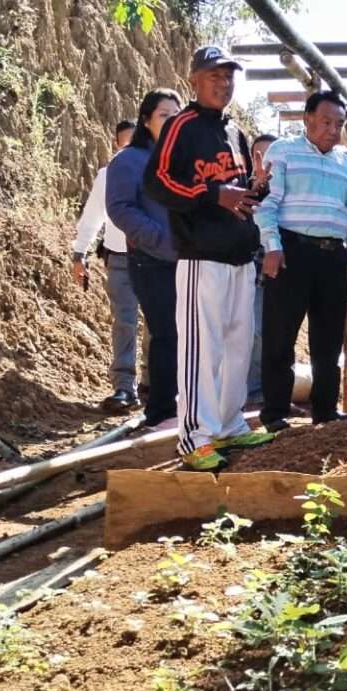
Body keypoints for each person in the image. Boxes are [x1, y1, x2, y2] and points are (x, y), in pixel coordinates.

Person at [144, 47, 277, 470]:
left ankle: (228, 425)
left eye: (229, 76)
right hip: (201, 257)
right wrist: (213, 194)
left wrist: (256, 188)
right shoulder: (181, 126)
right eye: (214, 76)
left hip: (240, 256)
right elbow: (158, 182)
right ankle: (194, 437)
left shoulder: (235, 132)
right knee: (203, 348)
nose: (224, 83)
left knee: (238, 345)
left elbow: (236, 195)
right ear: (194, 80)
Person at [256, 90, 347, 431]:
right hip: (291, 253)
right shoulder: (283, 152)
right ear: (306, 119)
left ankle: (325, 411)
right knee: (279, 336)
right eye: (325, 122)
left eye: (339, 124)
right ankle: (275, 414)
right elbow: (267, 205)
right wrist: (273, 247)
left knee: (328, 339)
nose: (333, 130)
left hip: (332, 258)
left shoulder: (344, 163)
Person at [107, 95, 179, 428]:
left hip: (190, 259)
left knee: (189, 334)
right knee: (165, 333)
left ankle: (185, 406)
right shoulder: (129, 160)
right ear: (147, 119)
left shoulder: (184, 159)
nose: (171, 120)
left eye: (176, 115)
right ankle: (161, 411)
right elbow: (121, 208)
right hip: (150, 260)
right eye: (164, 114)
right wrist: (159, 238)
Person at [72, 119, 141, 412]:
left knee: (158, 325)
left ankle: (155, 384)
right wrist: (79, 253)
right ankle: (124, 387)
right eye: (124, 144)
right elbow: (92, 217)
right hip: (120, 259)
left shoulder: (157, 172)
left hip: (157, 258)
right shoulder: (108, 174)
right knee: (124, 321)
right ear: (116, 144)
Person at [245, 132, 276, 409]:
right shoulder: (244, 189)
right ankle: (254, 393)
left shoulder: (289, 188)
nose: (264, 161)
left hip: (281, 263)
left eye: (270, 155)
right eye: (258, 155)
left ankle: (272, 392)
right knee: (254, 331)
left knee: (276, 332)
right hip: (252, 264)